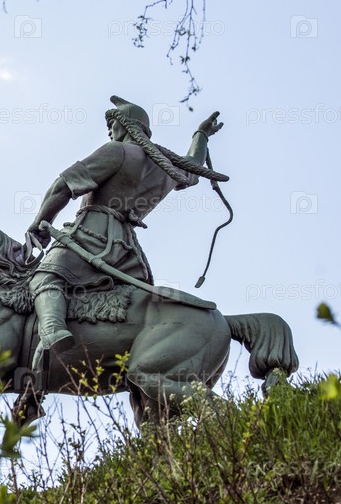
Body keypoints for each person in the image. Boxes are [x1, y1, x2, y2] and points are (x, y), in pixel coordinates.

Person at [26, 95, 225, 384]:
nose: (110, 131)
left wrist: (39, 224)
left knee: (45, 277)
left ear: (126, 126)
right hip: (129, 254)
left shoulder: (117, 151)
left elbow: (63, 186)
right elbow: (193, 166)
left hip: (92, 236)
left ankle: (53, 331)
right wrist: (201, 134)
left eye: (113, 124)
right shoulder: (164, 167)